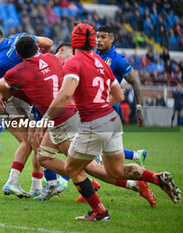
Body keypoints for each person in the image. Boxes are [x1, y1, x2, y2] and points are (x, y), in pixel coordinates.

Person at [0, 35, 156, 207]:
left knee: (87, 166)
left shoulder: (26, 69)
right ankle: (49, 185)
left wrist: (0, 84)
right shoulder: (52, 60)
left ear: (18, 53)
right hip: (59, 115)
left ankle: (136, 183)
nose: (73, 56)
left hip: (65, 119)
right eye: (71, 52)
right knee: (42, 154)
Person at [42, 23, 180, 221]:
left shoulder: (74, 62)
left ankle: (100, 212)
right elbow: (118, 95)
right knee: (115, 170)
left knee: (73, 169)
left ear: (74, 42)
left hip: (94, 123)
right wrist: (99, 104)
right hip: (112, 120)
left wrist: (47, 117)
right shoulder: (101, 62)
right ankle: (155, 178)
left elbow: (65, 95)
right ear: (92, 41)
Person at [0, 23, 53, 197]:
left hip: (16, 104)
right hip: (11, 106)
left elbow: (3, 88)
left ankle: (36, 187)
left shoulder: (3, 62)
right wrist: (44, 63)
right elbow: (48, 42)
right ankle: (16, 182)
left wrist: (1, 93)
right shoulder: (21, 38)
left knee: (35, 143)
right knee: (31, 142)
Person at [96, 25, 147, 166]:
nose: (98, 40)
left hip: (109, 109)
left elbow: (136, 83)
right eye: (97, 36)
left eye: (103, 37)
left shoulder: (118, 60)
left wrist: (138, 109)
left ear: (112, 39)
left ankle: (62, 180)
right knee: (107, 150)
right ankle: (138, 155)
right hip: (93, 107)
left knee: (88, 146)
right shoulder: (93, 55)